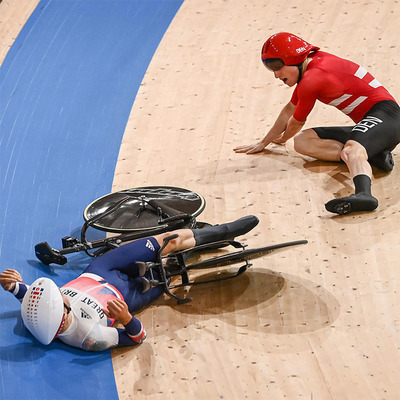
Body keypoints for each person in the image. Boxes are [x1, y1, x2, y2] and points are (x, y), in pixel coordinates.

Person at [0, 215, 258, 352]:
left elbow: (30, 297)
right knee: (172, 264)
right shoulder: (89, 337)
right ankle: (204, 245)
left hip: (101, 269)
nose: (59, 293)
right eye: (60, 299)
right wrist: (126, 318)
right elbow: (137, 338)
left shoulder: (41, 315)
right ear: (64, 315)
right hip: (131, 295)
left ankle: (223, 231)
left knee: (166, 240)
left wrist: (13, 286)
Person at [234, 32, 400, 215]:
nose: (275, 75)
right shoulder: (311, 66)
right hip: (374, 123)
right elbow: (289, 110)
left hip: (388, 117)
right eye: (269, 68)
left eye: (277, 66)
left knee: (350, 150)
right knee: (302, 141)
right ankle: (373, 155)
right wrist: (264, 142)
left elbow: (296, 122)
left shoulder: (313, 78)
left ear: (294, 59)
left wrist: (282, 139)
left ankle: (364, 194)